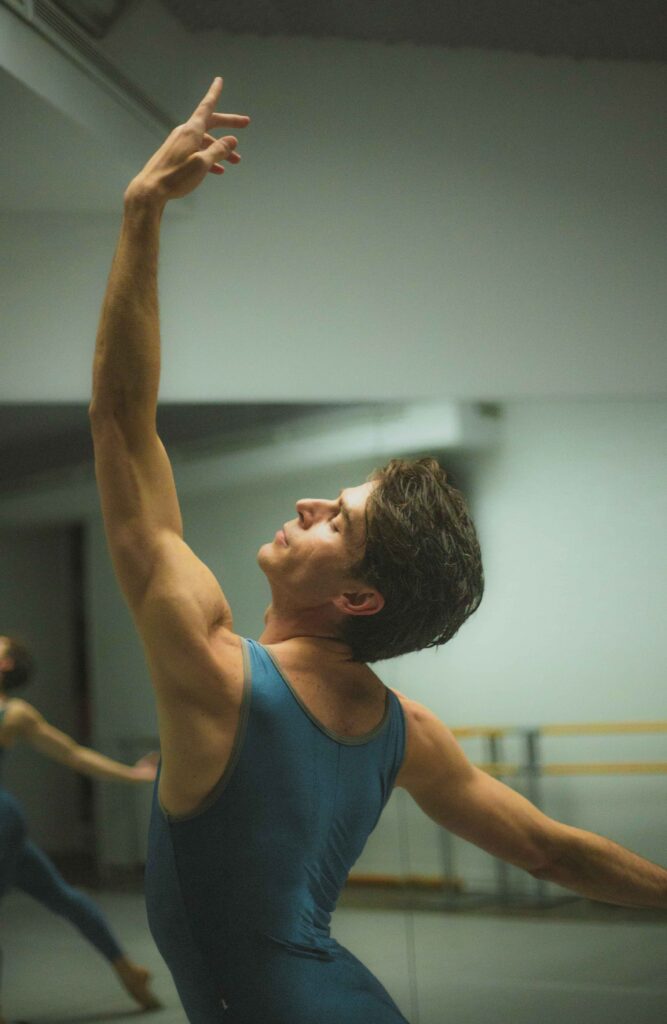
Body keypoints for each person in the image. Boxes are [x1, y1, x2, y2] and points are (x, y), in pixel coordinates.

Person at [89, 77, 667, 1024]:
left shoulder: (214, 671)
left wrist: (142, 210)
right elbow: (552, 852)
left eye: (338, 520)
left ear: (358, 598)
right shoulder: (409, 731)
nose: (309, 504)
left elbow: (121, 422)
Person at [0, 634, 161, 1020]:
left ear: (5, 665)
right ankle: (129, 970)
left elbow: (72, 753)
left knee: (61, 896)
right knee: (61, 895)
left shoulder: (14, 713)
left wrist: (133, 775)